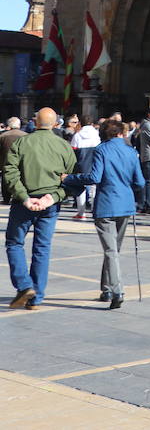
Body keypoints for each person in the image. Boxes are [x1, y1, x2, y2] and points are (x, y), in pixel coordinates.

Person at [4, 108, 76, 310]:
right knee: (42, 248)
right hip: (49, 204)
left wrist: (24, 197)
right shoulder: (63, 146)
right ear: (55, 125)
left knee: (14, 243)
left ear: (35, 123)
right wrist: (53, 197)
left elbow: (10, 172)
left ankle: (24, 285)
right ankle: (36, 298)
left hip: (23, 203)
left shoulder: (21, 142)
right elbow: (72, 180)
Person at [76, 118, 144, 308]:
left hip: (106, 204)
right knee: (114, 250)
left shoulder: (101, 150)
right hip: (125, 204)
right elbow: (140, 182)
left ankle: (116, 290)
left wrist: (71, 178)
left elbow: (94, 177)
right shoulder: (131, 152)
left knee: (110, 250)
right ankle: (107, 289)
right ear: (120, 133)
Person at [69, 117, 100, 220]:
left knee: (80, 189)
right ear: (91, 123)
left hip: (81, 163)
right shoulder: (96, 134)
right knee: (94, 188)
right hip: (95, 163)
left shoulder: (77, 135)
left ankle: (81, 213)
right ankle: (94, 210)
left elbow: (72, 151)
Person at [1, 118, 25, 204]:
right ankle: (19, 196)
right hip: (21, 162)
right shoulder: (26, 136)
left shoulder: (3, 136)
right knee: (21, 178)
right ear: (19, 125)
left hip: (5, 162)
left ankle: (6, 198)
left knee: (5, 180)